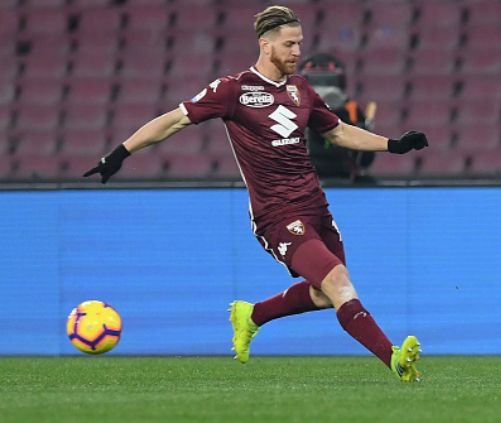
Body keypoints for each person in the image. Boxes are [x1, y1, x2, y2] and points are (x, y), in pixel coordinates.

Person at [83, 5, 428, 382]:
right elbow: (175, 119)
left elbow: (339, 132)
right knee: (339, 283)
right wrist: (120, 153)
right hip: (276, 215)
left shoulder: (301, 90)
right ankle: (394, 359)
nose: (298, 52)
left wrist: (393, 145)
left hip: (315, 206)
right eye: (290, 44)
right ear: (266, 45)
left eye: (300, 43)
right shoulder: (232, 90)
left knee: (326, 293)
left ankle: (252, 315)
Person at [299, 53, 376, 181]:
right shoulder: (295, 110)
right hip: (307, 178)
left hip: (344, 175)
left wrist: (364, 132)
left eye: (330, 81)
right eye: (315, 82)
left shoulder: (351, 109)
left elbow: (364, 161)